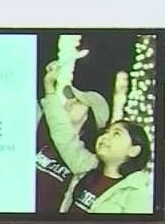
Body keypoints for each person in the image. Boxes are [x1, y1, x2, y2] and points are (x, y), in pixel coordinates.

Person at [40, 62, 153, 215]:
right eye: (106, 132)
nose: (106, 136)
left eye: (116, 134)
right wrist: (49, 89)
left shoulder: (136, 192)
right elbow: (62, 132)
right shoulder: (87, 166)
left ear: (134, 150)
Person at [34, 59, 110, 213]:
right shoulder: (44, 129)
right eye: (71, 98)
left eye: (78, 102)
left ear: (90, 117)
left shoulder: (87, 161)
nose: (70, 102)